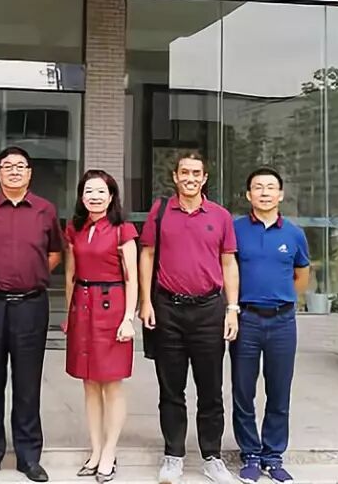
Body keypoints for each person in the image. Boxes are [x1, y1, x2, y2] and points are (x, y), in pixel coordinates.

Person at [138, 151, 239, 484]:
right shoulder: (160, 211)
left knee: (211, 390)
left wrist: (232, 308)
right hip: (168, 309)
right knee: (171, 389)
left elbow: (228, 263)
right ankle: (173, 455)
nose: (190, 178)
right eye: (185, 172)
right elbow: (147, 255)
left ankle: (212, 457)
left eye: (197, 173)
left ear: (204, 178)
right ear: (175, 176)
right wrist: (145, 302)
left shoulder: (220, 216)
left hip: (209, 310)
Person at [0, 146, 63, 483]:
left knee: (27, 385)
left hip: (31, 305)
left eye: (21, 166)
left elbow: (54, 252)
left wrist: (31, 273)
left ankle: (28, 456)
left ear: (30, 173)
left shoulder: (45, 210)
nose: (14, 171)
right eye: (8, 166)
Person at [230, 167, 310, 484]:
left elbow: (301, 275)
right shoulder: (235, 229)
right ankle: (250, 453)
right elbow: (227, 269)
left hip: (282, 322)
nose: (264, 193)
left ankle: (273, 455)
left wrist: (283, 299)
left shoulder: (294, 234)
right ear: (248, 194)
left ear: (280, 194)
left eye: (270, 187)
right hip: (246, 319)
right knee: (243, 391)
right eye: (258, 187)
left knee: (279, 391)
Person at [63, 170, 138, 484]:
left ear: (111, 196)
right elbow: (71, 274)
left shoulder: (123, 230)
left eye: (100, 191)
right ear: (81, 196)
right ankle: (95, 451)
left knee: (112, 383)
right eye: (88, 191)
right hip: (82, 306)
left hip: (112, 306)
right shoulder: (75, 228)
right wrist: (68, 313)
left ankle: (110, 451)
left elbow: (132, 277)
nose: (94, 197)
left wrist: (128, 318)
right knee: (89, 382)